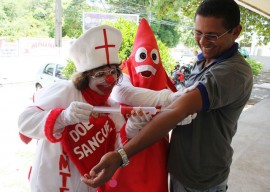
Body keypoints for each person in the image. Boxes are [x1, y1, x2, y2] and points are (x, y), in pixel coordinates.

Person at [81, 0, 253, 191]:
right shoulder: (204, 61)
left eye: (212, 35)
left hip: (202, 178)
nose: (203, 42)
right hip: (180, 168)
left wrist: (121, 155)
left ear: (235, 31)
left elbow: (178, 109)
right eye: (198, 33)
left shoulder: (232, 72)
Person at [18, 25, 150, 192]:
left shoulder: (112, 108)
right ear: (85, 76)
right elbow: (25, 121)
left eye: (113, 72)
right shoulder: (65, 91)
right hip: (50, 183)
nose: (109, 80)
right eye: (100, 74)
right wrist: (63, 117)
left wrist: (131, 128)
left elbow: (113, 150)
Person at [99, 18, 194, 192]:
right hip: (124, 145)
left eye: (153, 57)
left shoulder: (161, 75)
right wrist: (168, 100)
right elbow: (125, 93)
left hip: (155, 151)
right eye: (142, 56)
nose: (147, 63)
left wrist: (179, 112)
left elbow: (176, 114)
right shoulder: (125, 70)